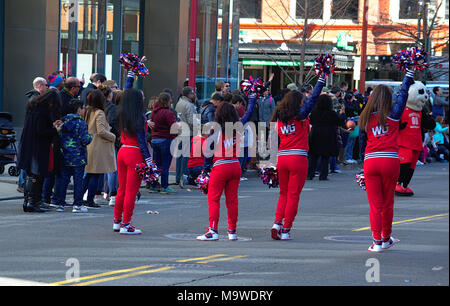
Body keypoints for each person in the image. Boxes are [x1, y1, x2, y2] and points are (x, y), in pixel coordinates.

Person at [358, 68, 415, 253]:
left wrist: (362, 164)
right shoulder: (393, 115)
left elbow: (362, 143)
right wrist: (408, 74)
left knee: (375, 205)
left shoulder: (365, 118)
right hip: (390, 161)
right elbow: (403, 95)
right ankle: (386, 237)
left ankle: (376, 242)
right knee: (387, 202)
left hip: (370, 162)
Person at [269, 75, 326, 240]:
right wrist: (321, 80)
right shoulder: (300, 115)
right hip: (298, 157)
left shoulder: (279, 117)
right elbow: (313, 98)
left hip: (282, 158)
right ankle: (286, 229)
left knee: (283, 194)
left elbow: (273, 139)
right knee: (293, 195)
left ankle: (277, 223)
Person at [196, 94, 257, 241]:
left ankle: (213, 230)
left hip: (220, 166)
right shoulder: (238, 127)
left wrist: (205, 169)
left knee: (214, 198)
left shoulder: (215, 130)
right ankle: (232, 231)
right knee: (232, 199)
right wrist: (253, 98)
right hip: (235, 165)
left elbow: (209, 152)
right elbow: (248, 113)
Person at [115, 83, 153, 234]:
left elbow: (126, 90)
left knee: (121, 189)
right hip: (134, 153)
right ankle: (126, 224)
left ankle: (117, 221)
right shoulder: (139, 117)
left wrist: (130, 74)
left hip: (123, 151)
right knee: (131, 191)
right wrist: (149, 160)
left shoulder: (122, 113)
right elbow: (142, 141)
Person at [18, 90, 63, 212]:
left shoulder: (33, 107)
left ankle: (28, 201)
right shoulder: (43, 112)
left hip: (28, 145)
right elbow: (41, 131)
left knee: (31, 174)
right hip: (38, 147)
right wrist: (56, 130)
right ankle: (34, 202)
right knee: (37, 175)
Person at [55, 99, 92, 213]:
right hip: (78, 157)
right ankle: (77, 204)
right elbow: (85, 140)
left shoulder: (62, 121)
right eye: (83, 108)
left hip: (64, 155)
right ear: (79, 109)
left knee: (63, 180)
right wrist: (90, 137)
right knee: (78, 181)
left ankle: (60, 203)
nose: (84, 110)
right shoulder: (81, 123)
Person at [83, 89, 116, 209]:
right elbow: (101, 131)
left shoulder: (86, 111)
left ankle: (81, 198)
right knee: (95, 175)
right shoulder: (100, 113)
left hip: (88, 145)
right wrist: (113, 136)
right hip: (97, 147)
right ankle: (90, 199)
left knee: (88, 175)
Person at [307, 94, 342, 181]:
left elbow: (310, 121)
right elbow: (339, 122)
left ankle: (310, 174)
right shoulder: (332, 113)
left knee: (313, 155)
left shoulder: (314, 112)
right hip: (328, 134)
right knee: (325, 156)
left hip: (315, 133)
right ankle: (323, 175)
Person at [150, 92, 179, 194]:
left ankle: (153, 185)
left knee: (156, 164)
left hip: (155, 140)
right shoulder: (168, 113)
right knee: (165, 165)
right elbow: (174, 127)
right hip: (165, 139)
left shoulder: (154, 112)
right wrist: (176, 135)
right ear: (168, 100)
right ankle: (164, 186)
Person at [175, 86, 198, 188]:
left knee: (180, 155)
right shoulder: (189, 105)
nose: (194, 95)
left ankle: (178, 177)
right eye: (193, 93)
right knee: (186, 156)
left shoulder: (179, 103)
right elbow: (191, 121)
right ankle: (184, 177)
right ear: (189, 94)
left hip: (180, 131)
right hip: (188, 132)